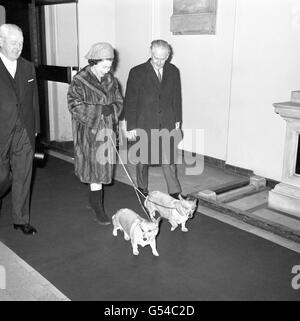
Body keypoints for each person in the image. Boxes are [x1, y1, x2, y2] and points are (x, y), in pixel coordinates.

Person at [67, 42, 123, 225]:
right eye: (104, 66)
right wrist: (100, 110)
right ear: (94, 62)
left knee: (102, 169)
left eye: (110, 66)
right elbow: (74, 105)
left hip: (107, 131)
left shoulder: (111, 81)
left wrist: (112, 109)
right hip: (88, 132)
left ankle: (94, 200)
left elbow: (119, 102)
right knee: (95, 171)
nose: (108, 71)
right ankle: (97, 206)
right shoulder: (79, 80)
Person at [124, 39, 183, 199]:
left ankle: (175, 191)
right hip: (144, 121)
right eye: (157, 58)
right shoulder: (137, 72)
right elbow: (130, 100)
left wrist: (177, 119)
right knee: (143, 160)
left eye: (163, 58)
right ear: (150, 53)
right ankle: (142, 188)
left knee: (168, 159)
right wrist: (130, 126)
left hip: (167, 121)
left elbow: (176, 97)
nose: (160, 62)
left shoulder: (173, 71)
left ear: (168, 56)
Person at [0, 24, 40, 235]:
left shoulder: (27, 67)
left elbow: (34, 99)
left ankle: (20, 218)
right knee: (2, 176)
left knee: (24, 174)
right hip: (1, 130)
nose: (18, 47)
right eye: (13, 43)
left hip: (24, 129)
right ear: (1, 42)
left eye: (21, 43)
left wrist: (36, 128)